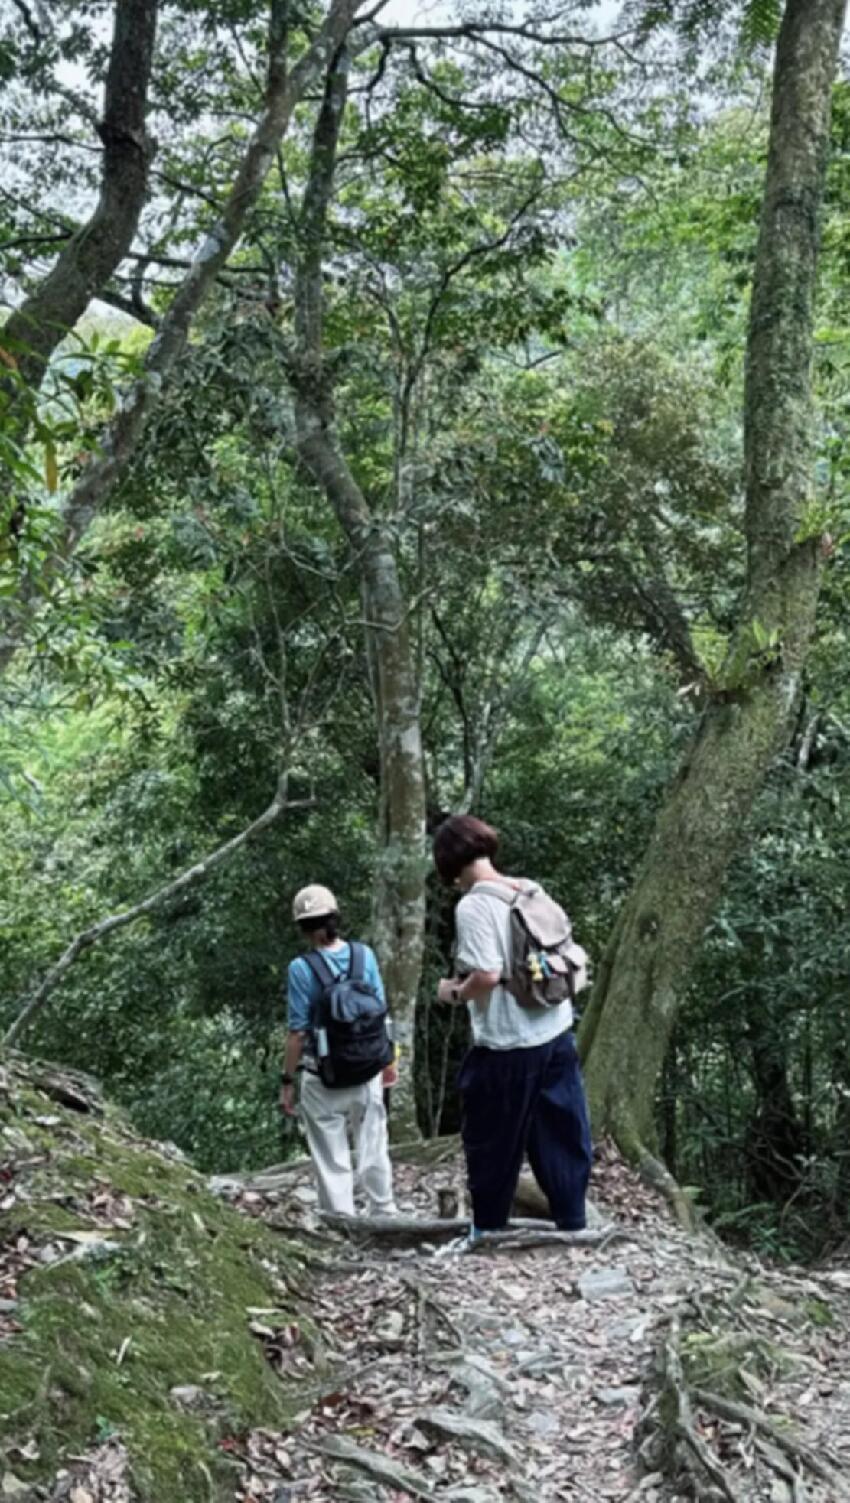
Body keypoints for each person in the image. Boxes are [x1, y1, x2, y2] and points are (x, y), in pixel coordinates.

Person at [434, 815, 592, 1240]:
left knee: (491, 1139)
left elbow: (486, 974)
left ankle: (487, 1229)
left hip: (508, 1042)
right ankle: (573, 1223)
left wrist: (453, 992)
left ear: (449, 864)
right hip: (556, 1028)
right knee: (562, 1132)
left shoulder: (474, 906)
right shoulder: (528, 888)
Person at [280, 884, 398, 1217]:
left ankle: (342, 1219)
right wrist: (389, 1061)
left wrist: (287, 1081)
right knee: (374, 1143)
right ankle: (384, 1211)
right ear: (335, 917)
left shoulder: (301, 968)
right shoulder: (364, 955)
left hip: (323, 1075)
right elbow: (382, 1014)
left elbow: (297, 1032)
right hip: (367, 1070)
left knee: (331, 1155)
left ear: (302, 927)